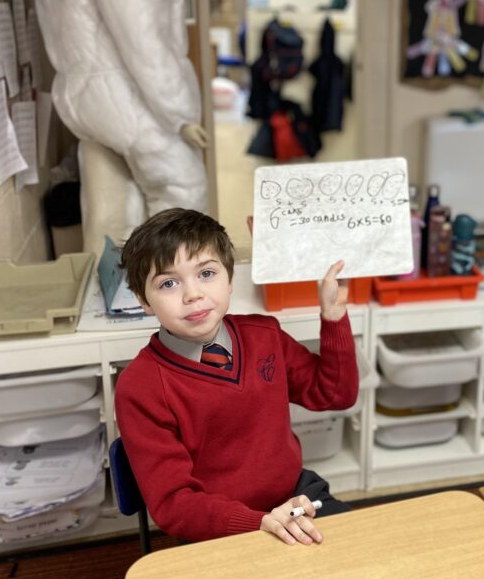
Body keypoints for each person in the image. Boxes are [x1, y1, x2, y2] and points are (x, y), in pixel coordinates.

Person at [114, 208, 358, 544]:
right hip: (217, 526)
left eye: (206, 273)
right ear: (143, 300)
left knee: (365, 563)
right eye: (169, 283)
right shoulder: (139, 387)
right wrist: (259, 522)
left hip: (296, 497)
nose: (192, 294)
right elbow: (174, 504)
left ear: (230, 279)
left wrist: (334, 317)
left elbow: (335, 394)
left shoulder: (264, 335)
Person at [34, 0, 208, 254]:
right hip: (130, 98)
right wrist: (180, 114)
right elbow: (145, 38)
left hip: (81, 100)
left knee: (109, 211)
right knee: (181, 196)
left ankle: (112, 302)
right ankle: (181, 298)